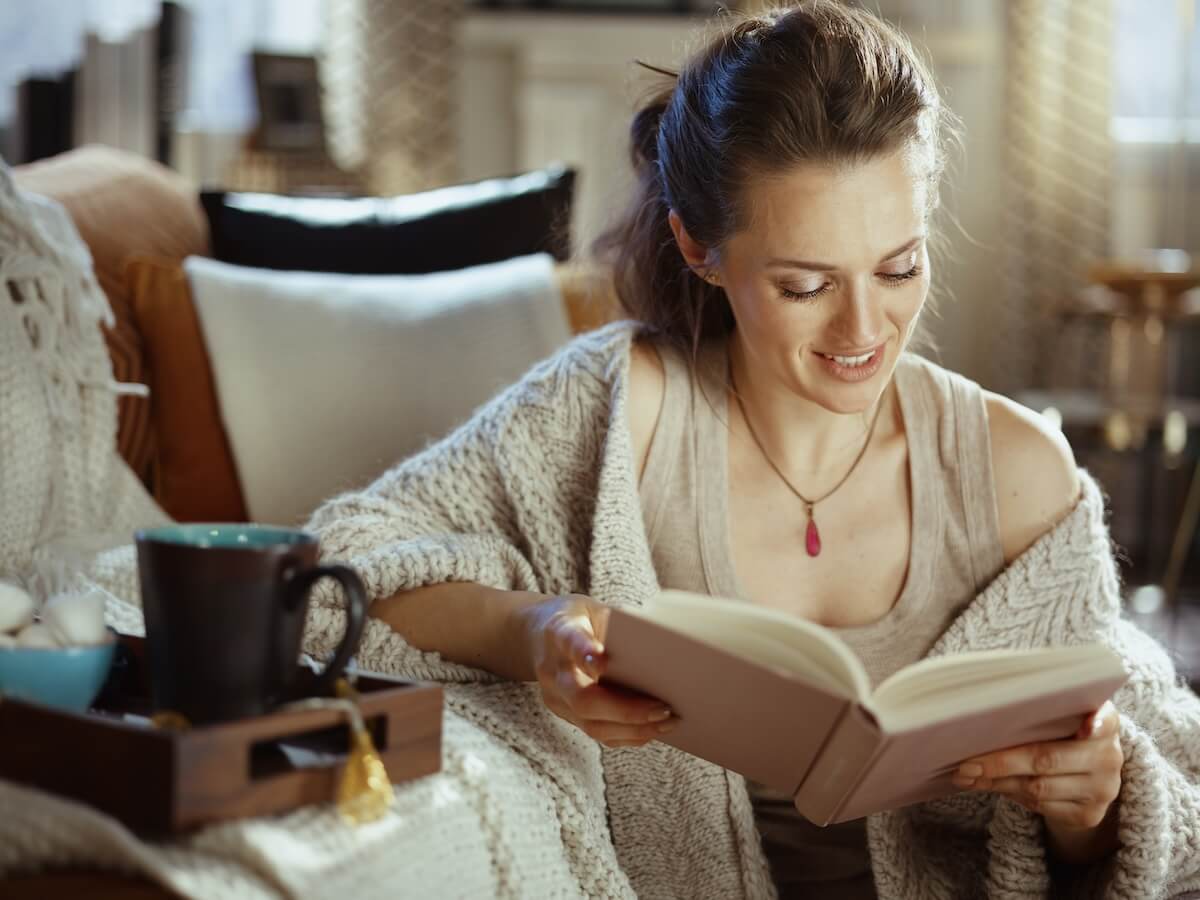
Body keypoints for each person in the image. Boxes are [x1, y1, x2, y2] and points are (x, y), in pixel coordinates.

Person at [299, 2, 1200, 897]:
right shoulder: (617, 412)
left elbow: (1147, 816)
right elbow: (345, 566)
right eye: (804, 284)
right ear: (699, 247)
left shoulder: (1021, 476)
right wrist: (533, 630)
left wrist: (1092, 813)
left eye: (898, 267)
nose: (863, 329)